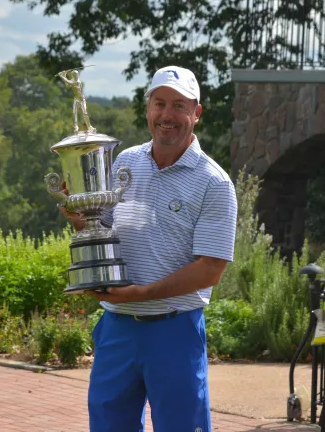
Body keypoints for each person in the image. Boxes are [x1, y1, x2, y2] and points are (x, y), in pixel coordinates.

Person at [59, 65, 238, 432]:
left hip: (174, 330)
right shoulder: (125, 162)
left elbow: (210, 269)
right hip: (117, 328)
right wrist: (78, 214)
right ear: (148, 109)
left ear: (196, 114)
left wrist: (142, 294)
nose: (167, 115)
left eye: (178, 105)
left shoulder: (214, 183)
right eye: (159, 103)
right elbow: (104, 229)